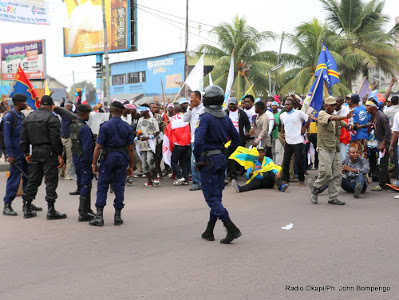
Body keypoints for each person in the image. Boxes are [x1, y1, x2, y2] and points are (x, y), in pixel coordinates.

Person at [194, 85, 241, 244]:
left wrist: (197, 159)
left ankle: (231, 227)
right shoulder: (225, 117)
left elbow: (198, 141)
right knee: (217, 196)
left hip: (208, 160)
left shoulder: (205, 117)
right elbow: (236, 139)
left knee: (211, 198)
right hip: (221, 159)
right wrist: (226, 152)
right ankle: (209, 231)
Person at [20, 95, 66, 219]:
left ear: (40, 105)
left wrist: (26, 153)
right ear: (51, 106)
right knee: (51, 181)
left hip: (35, 151)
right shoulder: (52, 118)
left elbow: (23, 138)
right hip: (49, 152)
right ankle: (51, 210)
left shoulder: (29, 118)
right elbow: (55, 138)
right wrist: (59, 154)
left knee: (33, 180)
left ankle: (27, 207)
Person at [90, 101, 134, 226]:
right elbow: (131, 149)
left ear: (110, 110)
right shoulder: (128, 127)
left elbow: (98, 147)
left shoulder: (105, 126)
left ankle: (99, 216)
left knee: (102, 186)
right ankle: (117, 216)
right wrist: (131, 166)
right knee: (119, 186)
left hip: (107, 159)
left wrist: (94, 164)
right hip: (122, 159)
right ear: (122, 112)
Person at [308, 96, 354, 205]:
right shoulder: (322, 114)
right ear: (325, 106)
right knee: (326, 172)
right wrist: (344, 117)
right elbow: (332, 119)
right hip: (324, 148)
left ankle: (333, 197)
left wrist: (365, 125)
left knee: (337, 174)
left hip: (334, 149)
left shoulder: (336, 116)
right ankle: (315, 189)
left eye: (334, 105)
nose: (333, 107)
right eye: (331, 105)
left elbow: (348, 126)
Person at [3, 94, 42, 216]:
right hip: (15, 153)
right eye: (24, 102)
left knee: (28, 178)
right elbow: (7, 137)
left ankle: (27, 202)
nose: (26, 104)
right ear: (18, 103)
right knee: (14, 180)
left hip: (24, 153)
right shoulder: (9, 117)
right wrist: (9, 154)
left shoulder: (21, 116)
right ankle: (7, 205)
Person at [70, 105, 96, 222]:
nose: (89, 116)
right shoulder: (84, 128)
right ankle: (83, 213)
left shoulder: (73, 126)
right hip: (84, 159)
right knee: (86, 185)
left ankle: (87, 210)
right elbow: (87, 148)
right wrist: (92, 163)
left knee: (82, 184)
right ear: (84, 114)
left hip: (76, 157)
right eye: (88, 114)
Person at [280, 98, 309, 185]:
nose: (286, 106)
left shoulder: (298, 113)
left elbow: (308, 119)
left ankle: (301, 180)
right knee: (286, 161)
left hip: (298, 141)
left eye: (288, 104)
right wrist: (282, 132)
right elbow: (283, 124)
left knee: (298, 161)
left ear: (293, 105)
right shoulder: (283, 115)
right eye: (285, 104)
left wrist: (304, 128)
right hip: (288, 140)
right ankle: (286, 180)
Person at [365, 99, 391, 191]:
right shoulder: (373, 116)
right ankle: (387, 184)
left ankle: (382, 185)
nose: (366, 107)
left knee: (383, 164)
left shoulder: (382, 116)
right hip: (380, 141)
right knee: (383, 163)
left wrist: (383, 143)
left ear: (373, 107)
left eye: (368, 105)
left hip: (384, 142)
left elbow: (388, 131)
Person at [183, 90, 205, 191]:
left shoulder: (204, 108)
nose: (190, 100)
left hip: (203, 139)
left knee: (203, 161)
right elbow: (185, 119)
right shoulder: (190, 108)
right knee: (194, 161)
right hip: (193, 140)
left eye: (192, 97)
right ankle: (196, 183)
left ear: (198, 98)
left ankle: (204, 181)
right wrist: (190, 108)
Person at [225, 97, 250, 180]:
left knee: (237, 156)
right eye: (230, 104)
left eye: (233, 104)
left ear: (237, 105)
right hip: (228, 139)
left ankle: (237, 171)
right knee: (230, 156)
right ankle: (232, 173)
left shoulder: (241, 113)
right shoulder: (225, 113)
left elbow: (247, 124)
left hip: (238, 138)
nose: (231, 106)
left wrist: (247, 131)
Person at [136, 106, 160, 187]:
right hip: (142, 145)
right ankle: (149, 181)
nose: (140, 113)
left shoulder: (153, 120)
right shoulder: (140, 120)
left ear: (146, 111)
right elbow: (138, 131)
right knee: (144, 165)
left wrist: (150, 137)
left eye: (142, 111)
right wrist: (137, 137)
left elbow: (157, 131)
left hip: (150, 144)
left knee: (150, 161)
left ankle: (155, 178)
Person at [170, 105, 191, 185]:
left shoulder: (173, 119)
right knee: (183, 162)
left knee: (174, 161)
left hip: (178, 144)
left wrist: (166, 125)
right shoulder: (185, 117)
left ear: (174, 111)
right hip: (187, 143)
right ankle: (185, 179)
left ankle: (180, 176)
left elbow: (170, 130)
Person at [350, 94, 370, 158]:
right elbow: (369, 119)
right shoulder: (364, 108)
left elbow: (356, 125)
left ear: (351, 101)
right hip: (365, 134)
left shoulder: (353, 111)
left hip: (357, 135)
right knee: (364, 153)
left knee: (356, 154)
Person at [59, 101, 74, 181]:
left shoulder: (73, 115)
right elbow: (58, 109)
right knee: (60, 155)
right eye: (65, 106)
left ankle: (67, 174)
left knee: (69, 157)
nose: (66, 107)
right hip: (62, 137)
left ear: (71, 108)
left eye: (68, 106)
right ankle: (60, 173)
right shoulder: (63, 114)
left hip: (69, 138)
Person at [271, 101, 283, 165]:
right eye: (273, 105)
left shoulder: (279, 114)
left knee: (277, 151)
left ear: (277, 106)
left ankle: (277, 165)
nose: (274, 107)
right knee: (273, 151)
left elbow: (282, 125)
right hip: (272, 135)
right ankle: (273, 165)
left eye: (275, 105)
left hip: (278, 135)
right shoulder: (270, 114)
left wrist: (277, 124)